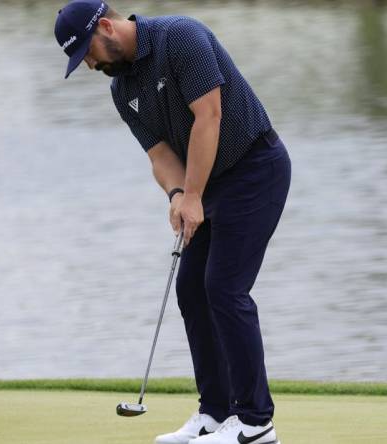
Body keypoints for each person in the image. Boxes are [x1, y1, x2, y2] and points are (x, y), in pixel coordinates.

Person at [55, 2, 291, 443]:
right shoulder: (122, 88)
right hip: (208, 182)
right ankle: (216, 413)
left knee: (224, 287)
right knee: (191, 289)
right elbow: (159, 154)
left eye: (87, 52)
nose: (89, 65)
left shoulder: (180, 37)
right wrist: (179, 194)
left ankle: (256, 423)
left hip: (255, 168)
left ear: (106, 26)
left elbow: (210, 115)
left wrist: (196, 194)